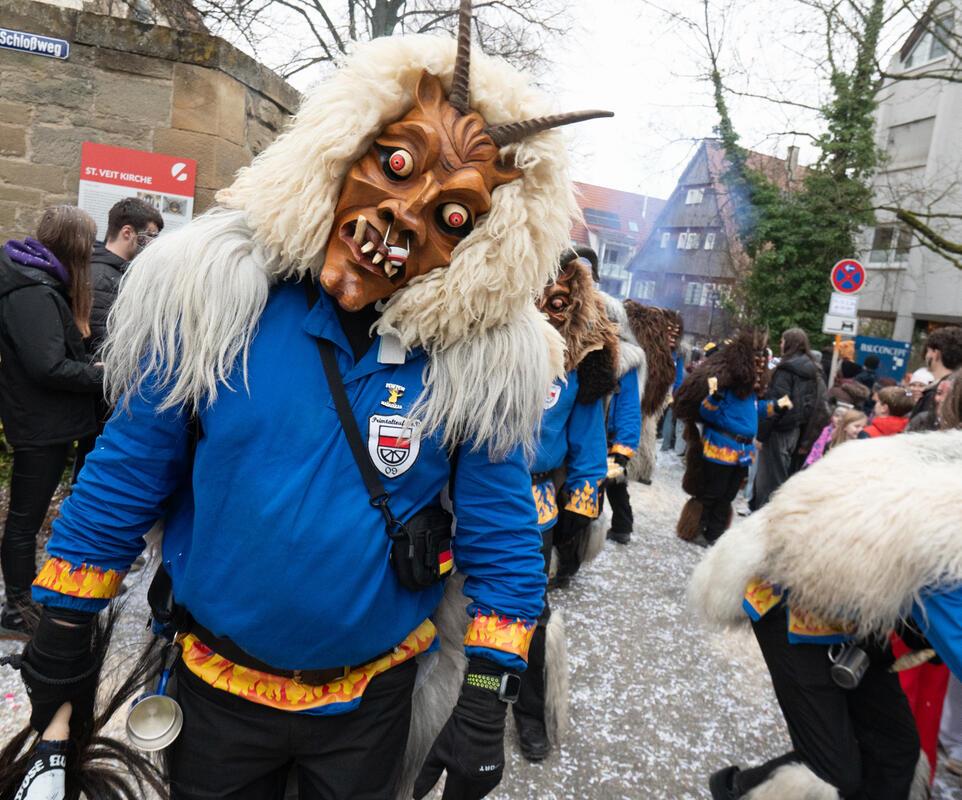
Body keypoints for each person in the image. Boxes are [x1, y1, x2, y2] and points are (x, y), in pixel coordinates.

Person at [13, 6, 615, 797]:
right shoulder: (219, 302)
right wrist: (61, 619)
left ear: (482, 244)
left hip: (371, 708)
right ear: (343, 149)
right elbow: (128, 474)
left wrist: (484, 694)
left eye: (453, 214)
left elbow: (503, 537)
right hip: (213, 694)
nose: (404, 216)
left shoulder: (475, 364)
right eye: (397, 167)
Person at [690, 432, 953, 799]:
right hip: (790, 595)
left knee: (897, 749)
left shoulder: (936, 462)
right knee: (831, 770)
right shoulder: (939, 483)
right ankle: (735, 790)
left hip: (860, 610)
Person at [518, 253, 613, 761]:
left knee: (529, 614)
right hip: (461, 500)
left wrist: (582, 503)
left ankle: (529, 713)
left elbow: (587, 439)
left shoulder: (577, 362)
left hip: (533, 506)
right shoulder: (485, 340)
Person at [0, 206, 104, 639]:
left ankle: (23, 599)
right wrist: (101, 374)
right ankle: (16, 609)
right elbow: (47, 367)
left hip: (47, 420)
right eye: (90, 241)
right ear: (75, 245)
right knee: (26, 518)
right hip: (39, 423)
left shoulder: (39, 280)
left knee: (31, 514)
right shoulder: (31, 291)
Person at [73, 198, 166, 482]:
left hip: (108, 392)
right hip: (101, 396)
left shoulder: (118, 273)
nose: (152, 243)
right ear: (127, 232)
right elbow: (104, 342)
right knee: (92, 465)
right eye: (149, 235)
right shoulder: (102, 276)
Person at [674, 331, 787, 546]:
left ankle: (715, 533)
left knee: (727, 496)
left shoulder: (751, 394)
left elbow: (757, 411)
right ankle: (696, 528)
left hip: (742, 453)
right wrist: (714, 398)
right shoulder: (725, 389)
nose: (760, 366)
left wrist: (776, 406)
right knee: (712, 493)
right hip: (719, 449)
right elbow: (707, 412)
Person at [751, 328, 822, 510]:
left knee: (769, 479)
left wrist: (762, 435)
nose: (780, 344)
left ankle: (766, 519)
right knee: (781, 475)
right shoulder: (811, 370)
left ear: (789, 343)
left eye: (782, 341)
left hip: (779, 429)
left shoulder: (786, 370)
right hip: (796, 429)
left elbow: (779, 403)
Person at [623, 301, 677, 483]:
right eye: (668, 332)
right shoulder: (637, 352)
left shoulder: (666, 358)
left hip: (645, 408)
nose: (672, 338)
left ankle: (639, 469)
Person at [909, 326, 962, 428]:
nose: (926, 356)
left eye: (927, 351)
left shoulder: (936, 393)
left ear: (936, 354)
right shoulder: (956, 390)